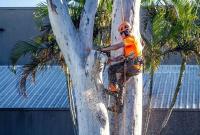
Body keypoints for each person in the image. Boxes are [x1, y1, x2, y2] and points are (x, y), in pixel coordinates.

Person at [101, 21, 143, 94]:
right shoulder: (130, 45)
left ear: (125, 32)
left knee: (111, 69)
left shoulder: (130, 38)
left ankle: (113, 88)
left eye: (121, 33)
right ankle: (119, 102)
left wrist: (102, 49)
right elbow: (123, 57)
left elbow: (116, 47)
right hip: (137, 68)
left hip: (132, 65)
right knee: (120, 82)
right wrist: (113, 59)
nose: (121, 35)